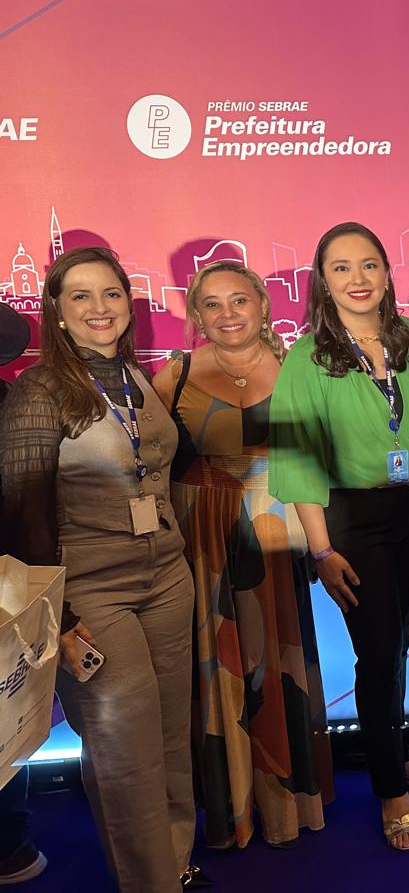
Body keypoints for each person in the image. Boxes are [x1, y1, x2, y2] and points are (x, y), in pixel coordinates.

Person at [0, 247, 201, 891]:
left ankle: (175, 863)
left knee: (170, 736)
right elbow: (23, 514)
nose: (99, 308)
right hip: (90, 594)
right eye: (80, 296)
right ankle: (149, 882)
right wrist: (57, 618)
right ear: (57, 312)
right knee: (125, 752)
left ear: (129, 304)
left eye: (111, 293)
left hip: (168, 578)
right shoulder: (38, 391)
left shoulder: (136, 377)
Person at [268, 222, 409, 852]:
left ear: (389, 273)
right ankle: (391, 794)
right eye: (341, 268)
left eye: (369, 264)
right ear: (323, 282)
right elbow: (298, 460)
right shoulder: (307, 358)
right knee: (376, 651)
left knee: (396, 646)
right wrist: (321, 550)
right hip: (351, 520)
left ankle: (395, 754)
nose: (358, 279)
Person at [153, 261, 334, 849]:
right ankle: (227, 804)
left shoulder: (297, 368)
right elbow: (148, 462)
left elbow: (312, 459)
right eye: (212, 304)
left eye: (239, 300)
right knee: (218, 661)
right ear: (196, 315)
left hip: (276, 532)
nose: (227, 313)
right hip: (200, 536)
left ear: (262, 304)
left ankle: (281, 802)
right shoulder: (174, 374)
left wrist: (323, 545)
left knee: (274, 658)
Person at [0, 302, 45, 888]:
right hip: (10, 579)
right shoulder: (13, 405)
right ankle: (9, 844)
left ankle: (9, 842)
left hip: (9, 579)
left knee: (8, 710)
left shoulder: (15, 407)